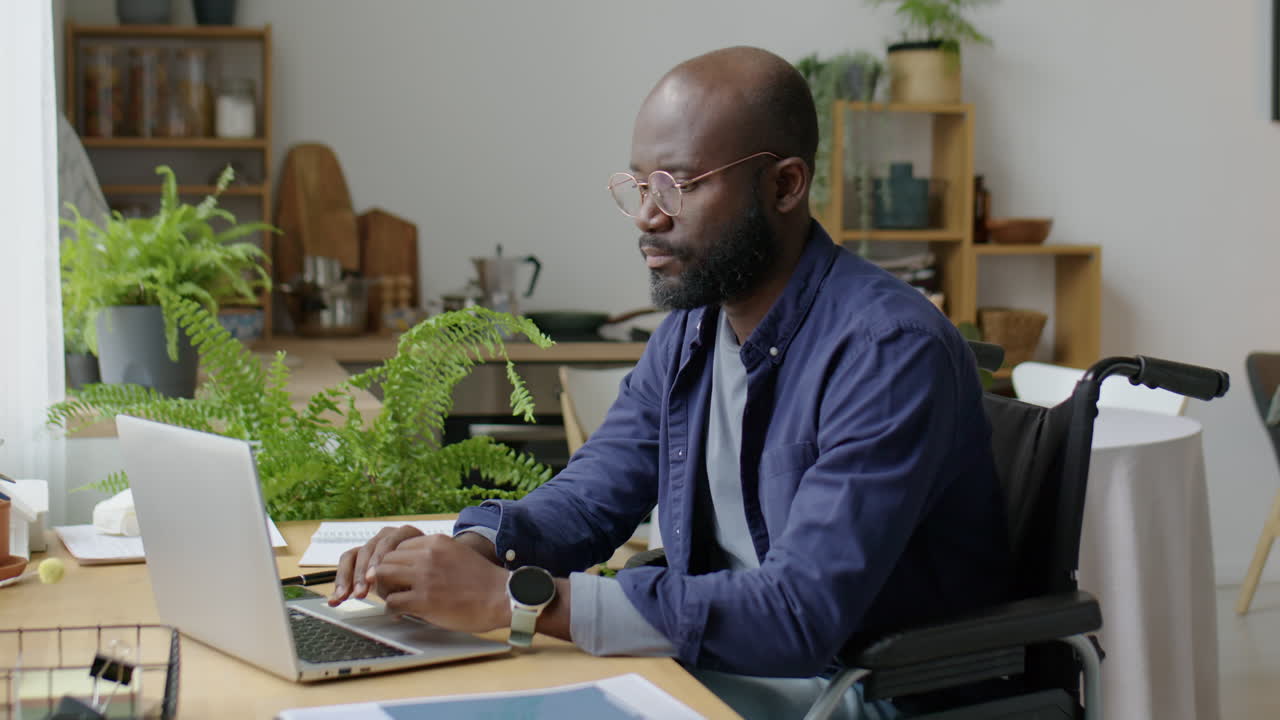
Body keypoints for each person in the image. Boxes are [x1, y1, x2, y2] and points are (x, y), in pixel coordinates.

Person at [329, 46, 1012, 719]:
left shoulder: (887, 352)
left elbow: (800, 618)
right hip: (708, 669)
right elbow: (590, 500)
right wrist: (462, 552)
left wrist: (515, 601)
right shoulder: (691, 334)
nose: (649, 216)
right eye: (639, 185)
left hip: (852, 691)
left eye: (679, 185)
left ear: (785, 185)